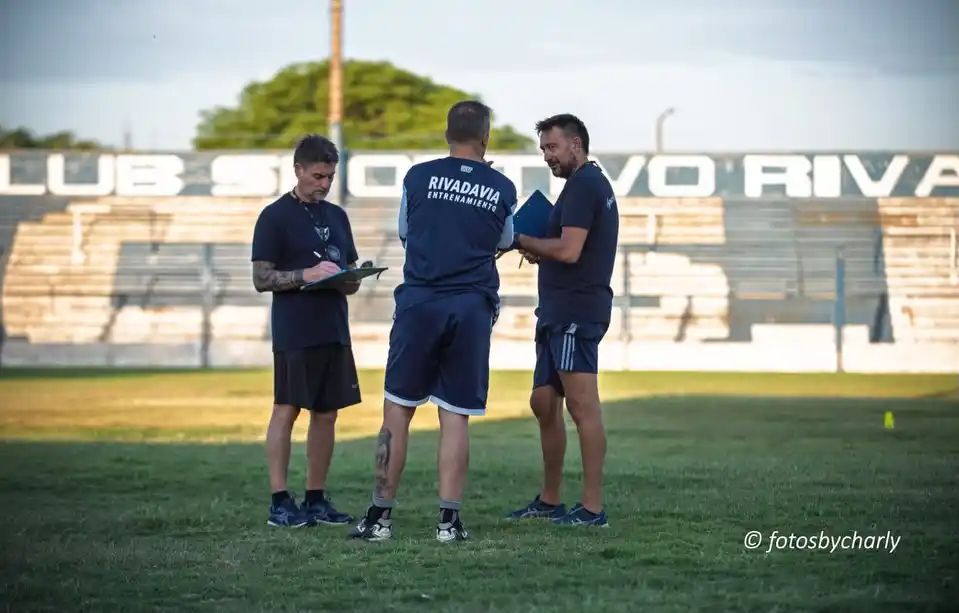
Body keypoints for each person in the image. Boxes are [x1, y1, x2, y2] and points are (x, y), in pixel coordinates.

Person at [348, 100, 518, 542]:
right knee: (456, 415)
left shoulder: (417, 176)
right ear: (486, 137)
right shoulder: (501, 185)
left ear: (447, 134)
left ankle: (380, 518)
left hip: (420, 302)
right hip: (471, 306)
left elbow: (406, 230)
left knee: (397, 410)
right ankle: (448, 522)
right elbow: (506, 239)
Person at [506, 113, 618, 527]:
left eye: (552, 148)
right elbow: (567, 248)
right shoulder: (580, 186)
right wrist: (541, 248)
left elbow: (570, 251)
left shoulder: (586, 184)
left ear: (576, 144)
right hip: (556, 310)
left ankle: (592, 509)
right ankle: (550, 499)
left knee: (582, 407)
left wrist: (520, 239)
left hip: (576, 311)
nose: (548, 156)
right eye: (543, 150)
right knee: (543, 401)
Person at [251, 134, 364, 528]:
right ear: (298, 169)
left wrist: (353, 278)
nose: (324, 183)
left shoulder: (337, 216)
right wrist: (306, 275)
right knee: (287, 408)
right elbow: (261, 278)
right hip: (295, 328)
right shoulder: (274, 216)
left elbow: (346, 268)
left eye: (330, 177)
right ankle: (280, 501)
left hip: (333, 325)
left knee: (328, 413)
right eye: (317, 175)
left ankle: (316, 498)